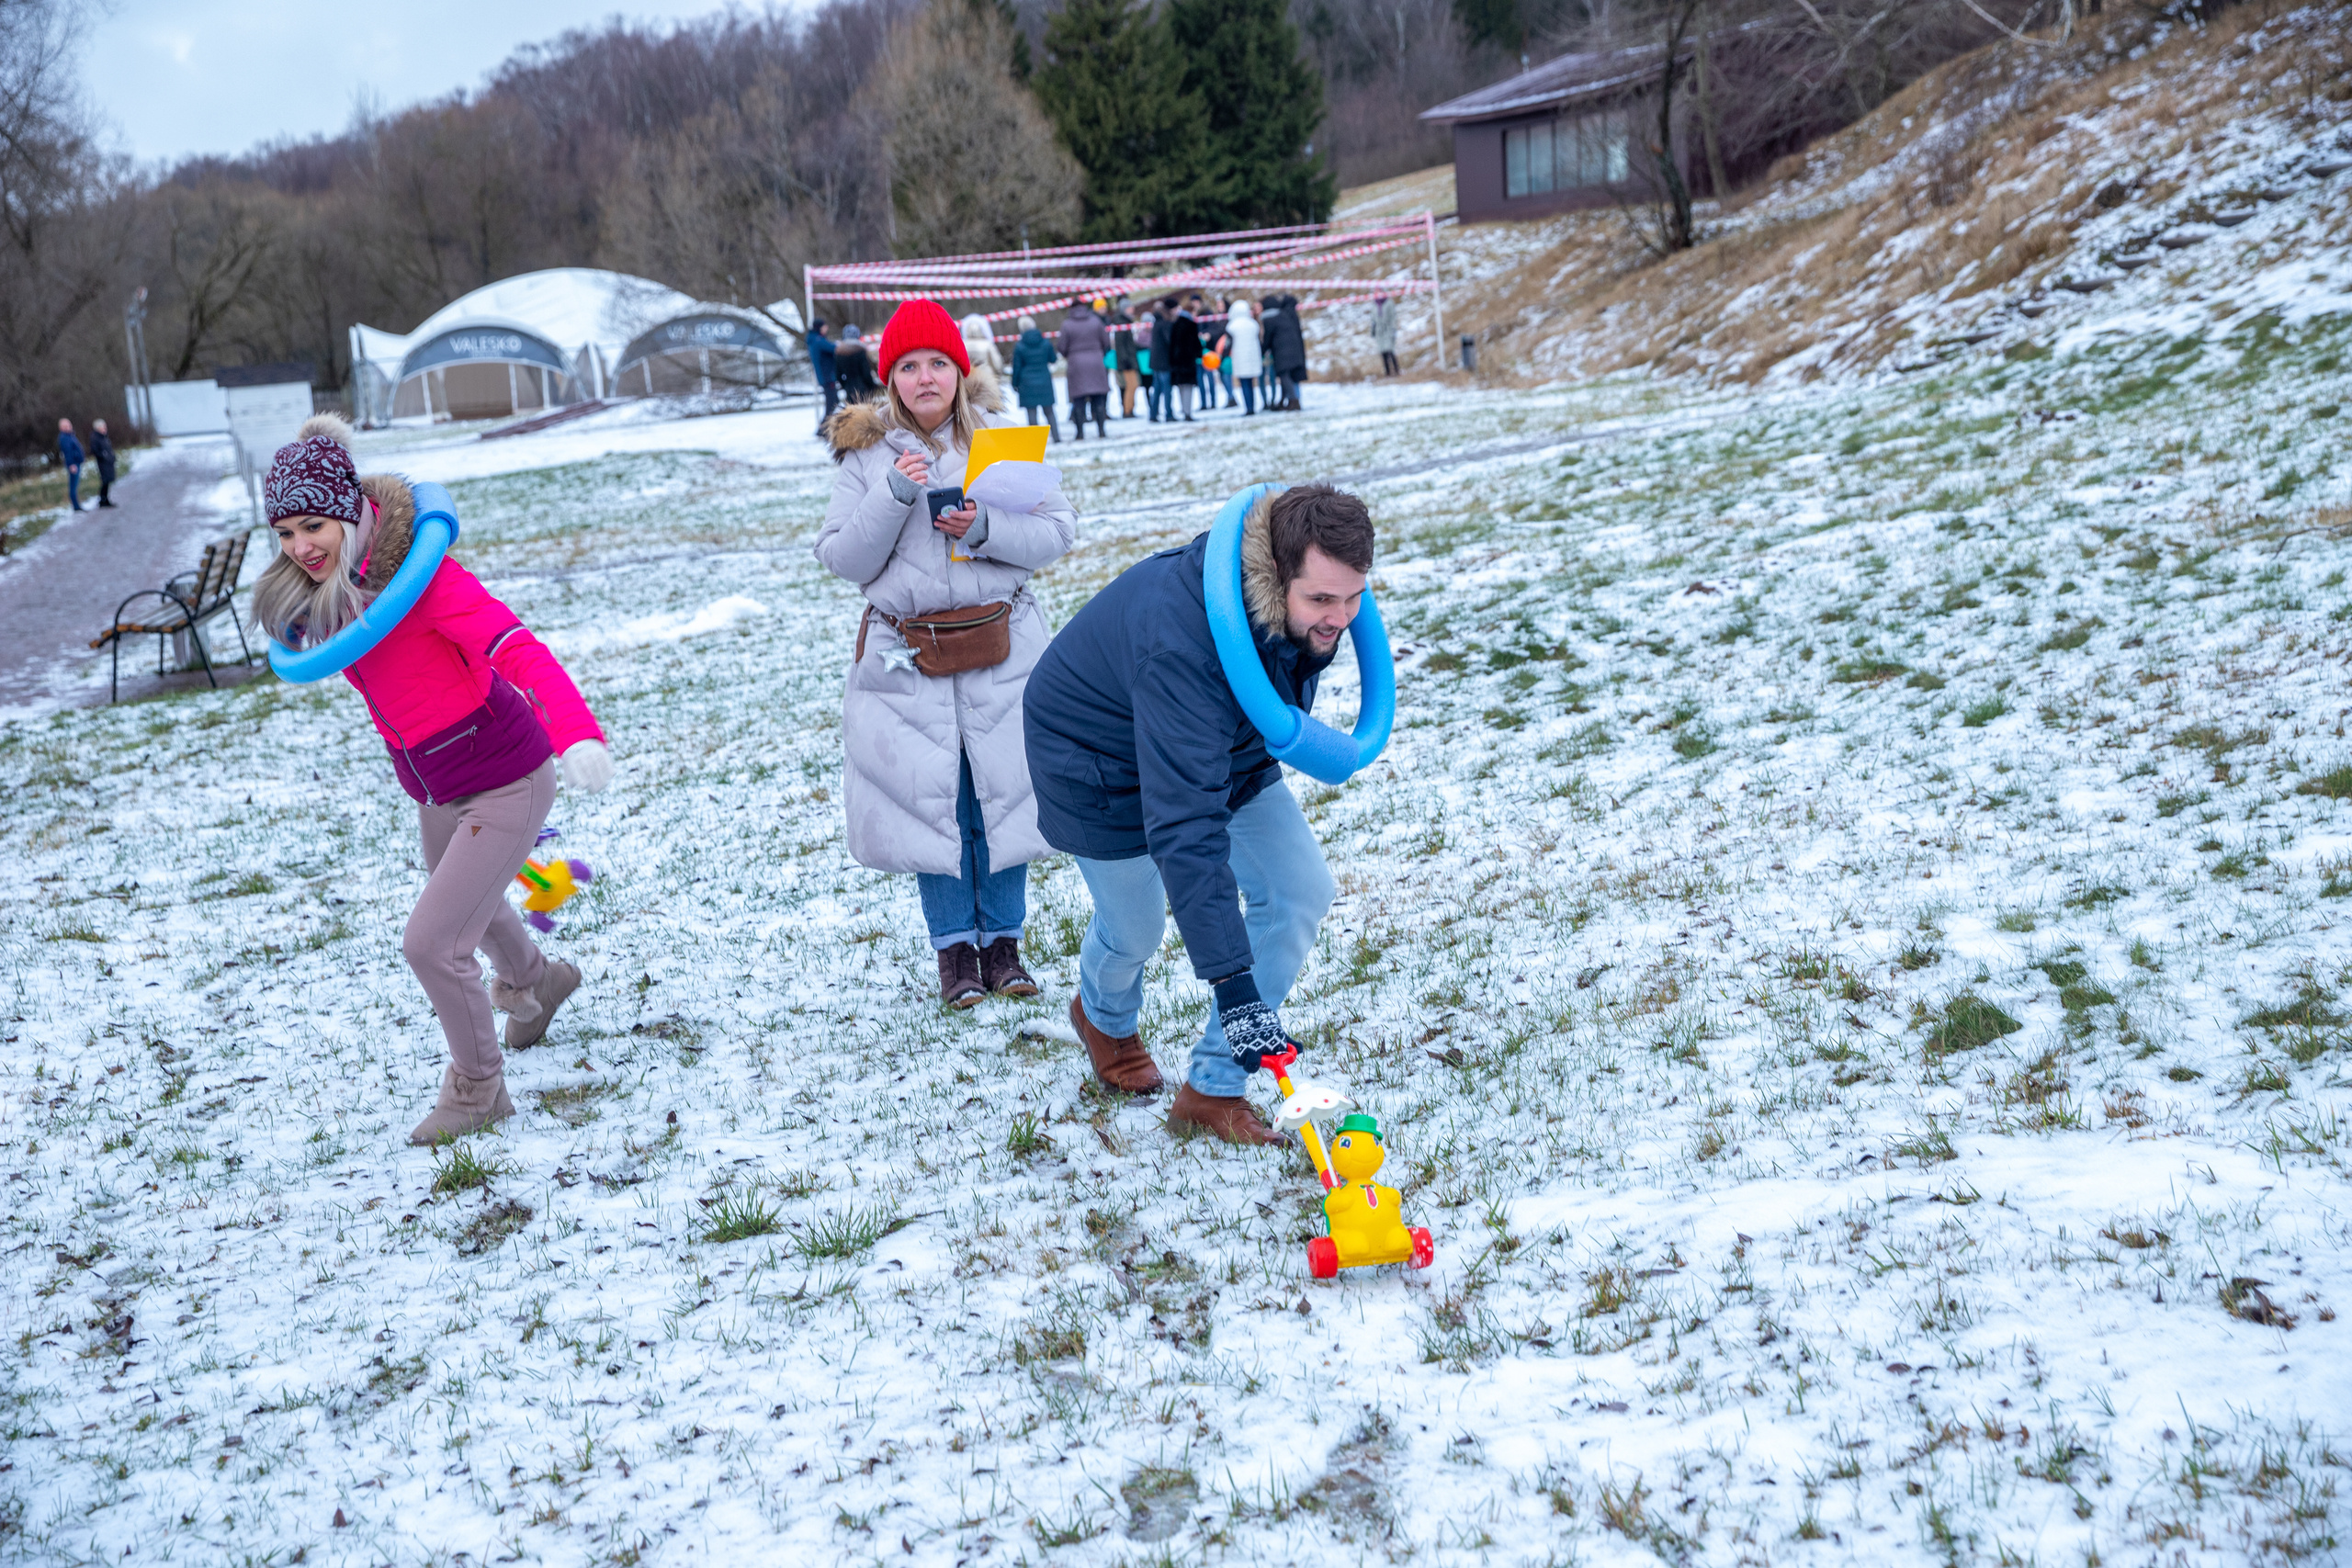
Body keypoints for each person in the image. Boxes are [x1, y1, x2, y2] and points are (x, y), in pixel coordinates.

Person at [246, 416, 614, 1144]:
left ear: (350, 509)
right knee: (469, 905)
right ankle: (537, 982)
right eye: (285, 533)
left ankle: (479, 1089)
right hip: (438, 786)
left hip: (507, 774)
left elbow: (517, 648)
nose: (300, 547)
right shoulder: (330, 584)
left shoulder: (426, 580)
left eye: (313, 525)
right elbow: (306, 633)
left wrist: (577, 733)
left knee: (433, 941)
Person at [1023, 484, 1373, 1141]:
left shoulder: (1299, 608)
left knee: (1300, 890)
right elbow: (1186, 825)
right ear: (1274, 574)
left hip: (1224, 735)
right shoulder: (1180, 646)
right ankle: (1101, 1015)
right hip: (1095, 759)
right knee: (1136, 928)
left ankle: (1212, 1087)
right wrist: (1232, 981)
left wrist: (1326, 609)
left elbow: (1251, 695)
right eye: (1322, 599)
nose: (1340, 617)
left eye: (1354, 597)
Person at [816, 299, 1076, 1006]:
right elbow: (842, 557)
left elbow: (1057, 532)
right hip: (909, 657)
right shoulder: (867, 456)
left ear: (960, 371)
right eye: (908, 366)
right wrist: (897, 493)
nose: (924, 377)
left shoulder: (1002, 440)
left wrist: (986, 525)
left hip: (1004, 648)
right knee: (938, 804)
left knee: (1003, 796)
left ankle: (1006, 948)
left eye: (937, 363)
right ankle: (955, 954)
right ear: (889, 377)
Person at [1058, 299, 1112, 440]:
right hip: (1096, 363)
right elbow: (1106, 342)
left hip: (1076, 365)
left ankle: (1080, 433)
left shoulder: (1067, 325)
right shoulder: (1096, 321)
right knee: (1099, 398)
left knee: (1079, 400)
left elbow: (1062, 347)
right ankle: (1101, 430)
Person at [1010, 315, 1061, 440]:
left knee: (1031, 412)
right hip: (1044, 380)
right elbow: (1053, 359)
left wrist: (1014, 383)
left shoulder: (1019, 346)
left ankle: (1036, 441)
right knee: (1049, 411)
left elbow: (1016, 367)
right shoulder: (1045, 342)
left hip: (1026, 382)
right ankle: (1056, 437)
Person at [1265, 295, 1307, 412]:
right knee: (1290, 377)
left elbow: (1268, 338)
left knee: (1285, 376)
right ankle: (1288, 400)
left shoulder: (1274, 317)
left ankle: (1294, 401)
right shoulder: (1289, 315)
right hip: (1295, 351)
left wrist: (1263, 350)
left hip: (1282, 352)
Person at [1226, 299, 1265, 416]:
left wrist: (1222, 356)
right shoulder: (1253, 324)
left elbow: (1228, 344)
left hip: (1240, 359)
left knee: (1244, 384)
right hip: (1252, 358)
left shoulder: (1232, 326)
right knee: (1252, 384)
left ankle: (1248, 408)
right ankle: (1252, 406)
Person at [1165, 297, 1202, 423]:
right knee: (1188, 388)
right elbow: (1196, 344)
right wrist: (1199, 354)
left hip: (1177, 362)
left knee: (1181, 387)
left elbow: (1171, 345)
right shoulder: (1191, 325)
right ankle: (1188, 412)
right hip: (1188, 361)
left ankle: (1184, 410)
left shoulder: (1174, 325)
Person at [808, 321, 840, 430]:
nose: (827, 328)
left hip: (825, 377)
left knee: (833, 402)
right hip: (827, 377)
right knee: (832, 403)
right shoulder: (819, 341)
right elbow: (833, 348)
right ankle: (823, 428)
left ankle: (824, 427)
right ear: (820, 327)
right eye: (825, 326)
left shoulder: (814, 340)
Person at [1146, 300, 1173, 423]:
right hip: (1163, 361)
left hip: (1155, 361)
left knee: (1157, 389)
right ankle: (1169, 414)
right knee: (1167, 389)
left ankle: (1153, 414)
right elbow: (1169, 341)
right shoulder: (1164, 324)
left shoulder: (1155, 323)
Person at [1113, 303, 1141, 419]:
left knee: (1133, 385)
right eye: (1130, 307)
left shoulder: (1126, 321)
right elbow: (1120, 344)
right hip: (1127, 361)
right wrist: (1125, 360)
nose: (1132, 309)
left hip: (1130, 358)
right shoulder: (1121, 323)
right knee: (1131, 385)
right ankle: (1127, 410)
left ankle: (1130, 409)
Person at [836, 324, 877, 404]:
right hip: (863, 388)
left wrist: (845, 385)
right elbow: (866, 372)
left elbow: (838, 374)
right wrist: (871, 386)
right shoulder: (860, 351)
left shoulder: (839, 352)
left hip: (849, 389)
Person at [960, 313, 1007, 380]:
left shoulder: (962, 345)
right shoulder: (988, 344)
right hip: (986, 378)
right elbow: (997, 363)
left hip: (967, 378)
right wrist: (998, 374)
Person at [56, 419, 84, 512]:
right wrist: (71, 464)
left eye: (69, 425)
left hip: (76, 462)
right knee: (73, 485)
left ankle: (77, 505)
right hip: (73, 464)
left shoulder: (70, 436)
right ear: (61, 428)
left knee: (75, 484)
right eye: (65, 426)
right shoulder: (64, 438)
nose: (68, 427)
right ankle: (76, 506)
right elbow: (67, 453)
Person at [1370, 293, 1399, 377]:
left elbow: (1393, 316)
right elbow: (1373, 319)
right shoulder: (1374, 305)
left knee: (1390, 350)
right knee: (1383, 352)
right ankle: (1388, 372)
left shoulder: (1389, 303)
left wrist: (1393, 328)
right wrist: (1373, 331)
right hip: (1379, 331)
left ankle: (1397, 370)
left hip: (1388, 329)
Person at [90, 419, 119, 507]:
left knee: (108, 481)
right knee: (105, 481)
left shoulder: (104, 436)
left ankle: (105, 499)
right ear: (98, 428)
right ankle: (103, 500)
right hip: (103, 463)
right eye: (103, 426)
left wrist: (112, 457)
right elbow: (95, 450)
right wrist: (104, 456)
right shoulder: (95, 437)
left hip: (108, 462)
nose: (105, 428)